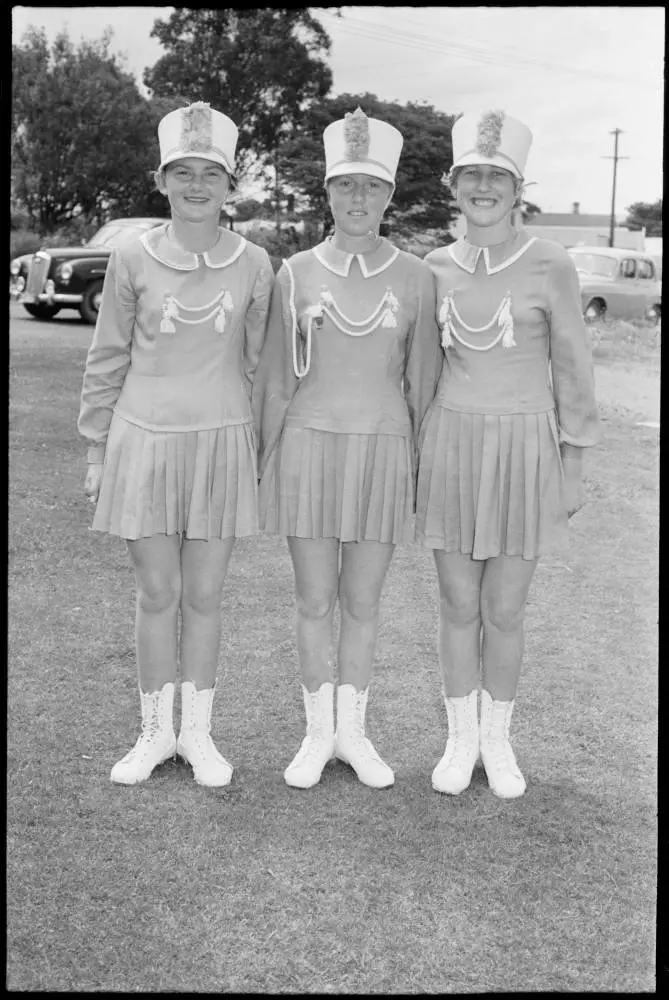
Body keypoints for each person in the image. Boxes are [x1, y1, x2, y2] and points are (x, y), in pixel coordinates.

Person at [78, 102, 273, 787]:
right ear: (161, 180)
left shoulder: (254, 263)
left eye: (210, 173)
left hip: (219, 439)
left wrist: (257, 449)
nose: (197, 184)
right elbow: (108, 355)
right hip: (144, 436)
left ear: (229, 186)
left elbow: (259, 365)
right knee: (156, 593)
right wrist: (98, 449)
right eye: (183, 172)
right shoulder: (130, 254)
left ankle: (198, 734)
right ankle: (154, 733)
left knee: (206, 595)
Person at [252, 107, 441, 791]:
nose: (357, 200)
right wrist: (259, 456)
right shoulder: (292, 272)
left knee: (362, 603)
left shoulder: (418, 278)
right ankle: (315, 734)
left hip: (381, 451)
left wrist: (423, 468)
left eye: (371, 187)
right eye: (344, 187)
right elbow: (274, 377)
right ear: (326, 194)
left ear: (388, 195)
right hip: (307, 447)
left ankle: (353, 734)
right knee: (312, 600)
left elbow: (423, 384)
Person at [415, 110, 600, 799]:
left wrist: (572, 460)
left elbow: (573, 365)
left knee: (506, 609)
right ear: (451, 184)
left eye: (497, 176)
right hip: (453, 444)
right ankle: (459, 740)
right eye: (472, 175)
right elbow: (421, 369)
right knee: (456, 603)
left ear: (516, 186)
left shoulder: (550, 263)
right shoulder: (431, 266)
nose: (483, 186)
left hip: (525, 445)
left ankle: (498, 740)